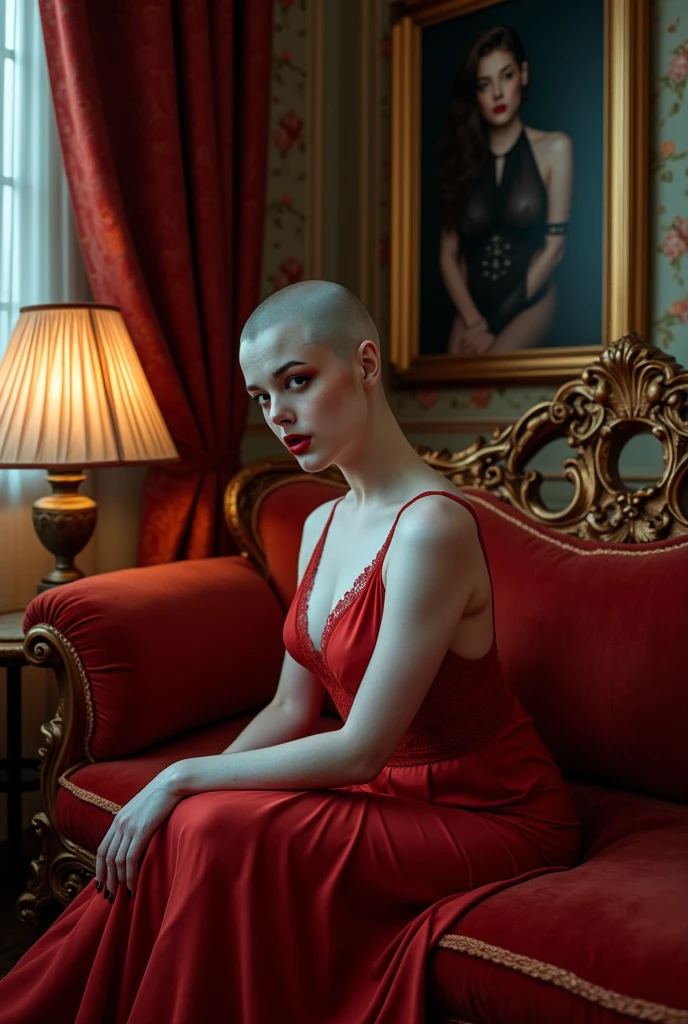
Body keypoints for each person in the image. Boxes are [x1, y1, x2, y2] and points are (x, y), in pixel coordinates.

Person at [0, 280, 580, 1023]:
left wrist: (180, 777)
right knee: (195, 822)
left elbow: (362, 749)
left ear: (365, 366)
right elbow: (289, 705)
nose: (278, 416)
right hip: (385, 794)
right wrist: (194, 792)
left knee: (202, 820)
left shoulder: (433, 529)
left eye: (297, 381)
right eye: (261, 397)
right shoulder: (319, 524)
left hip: (494, 811)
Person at [437, 25, 573, 355]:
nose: (497, 93)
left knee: (494, 368)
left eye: (506, 76)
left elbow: (555, 249)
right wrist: (474, 322)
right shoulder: (462, 159)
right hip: (472, 310)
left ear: (523, 75)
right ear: (477, 94)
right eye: (485, 84)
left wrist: (495, 323)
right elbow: (448, 258)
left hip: (531, 301)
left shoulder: (555, 148)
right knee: (453, 391)